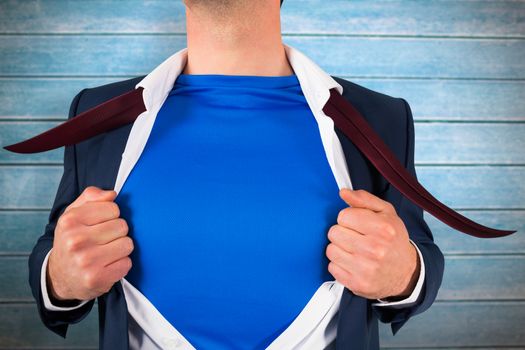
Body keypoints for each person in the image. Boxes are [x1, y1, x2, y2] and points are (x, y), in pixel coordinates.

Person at [26, 0, 444, 349]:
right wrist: (59, 276)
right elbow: (55, 247)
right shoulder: (97, 113)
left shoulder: (382, 118)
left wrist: (405, 274)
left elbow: (419, 254)